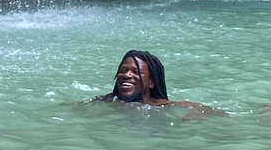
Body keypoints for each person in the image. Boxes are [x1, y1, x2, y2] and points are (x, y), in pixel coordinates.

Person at [93, 50, 223, 114]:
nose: (127, 75)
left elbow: (217, 112)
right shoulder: (104, 102)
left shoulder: (162, 106)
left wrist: (197, 116)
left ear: (151, 82)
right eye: (123, 70)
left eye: (136, 72)